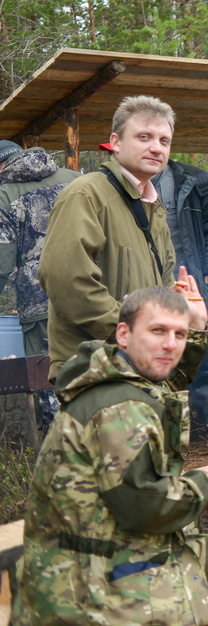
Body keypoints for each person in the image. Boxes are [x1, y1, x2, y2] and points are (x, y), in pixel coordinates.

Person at [12, 280, 208, 626]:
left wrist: (196, 326)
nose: (170, 344)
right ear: (123, 334)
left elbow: (167, 377)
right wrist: (205, 482)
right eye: (158, 331)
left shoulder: (121, 378)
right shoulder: (121, 408)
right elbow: (145, 510)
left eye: (179, 335)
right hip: (95, 589)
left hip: (104, 561)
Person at [40, 95, 177, 381]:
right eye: (144, 137)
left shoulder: (153, 207)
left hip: (139, 365)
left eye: (164, 141)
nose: (156, 147)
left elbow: (163, 285)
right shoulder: (86, 194)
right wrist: (134, 333)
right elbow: (66, 280)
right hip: (94, 370)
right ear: (115, 142)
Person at [152, 158, 208, 448]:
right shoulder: (117, 184)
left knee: (207, 353)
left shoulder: (195, 180)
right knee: (155, 353)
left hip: (194, 281)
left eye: (162, 139)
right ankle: (168, 428)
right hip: (148, 285)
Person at [0, 141, 79, 426]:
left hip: (41, 304)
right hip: (92, 293)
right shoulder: (75, 178)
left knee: (49, 381)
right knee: (96, 370)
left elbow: (2, 262)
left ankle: (63, 456)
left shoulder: (5, 194)